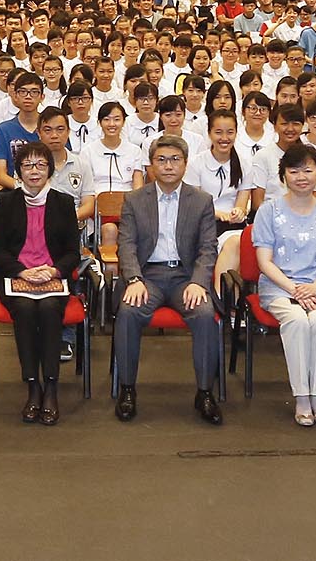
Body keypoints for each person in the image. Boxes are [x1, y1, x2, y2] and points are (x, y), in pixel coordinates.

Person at [112, 135, 225, 424]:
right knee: (128, 311)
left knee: (204, 314)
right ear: (151, 165)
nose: (168, 166)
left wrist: (199, 282)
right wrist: (133, 278)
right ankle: (127, 389)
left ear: (185, 164)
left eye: (175, 159)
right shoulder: (135, 200)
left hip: (185, 278)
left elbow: (208, 248)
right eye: (161, 160)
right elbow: (126, 245)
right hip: (147, 276)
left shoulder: (201, 201)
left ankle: (205, 392)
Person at [252, 144, 316, 426]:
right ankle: (302, 398)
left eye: (308, 170)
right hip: (279, 285)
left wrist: (314, 288)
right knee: (295, 320)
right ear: (283, 176)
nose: (301, 177)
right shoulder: (268, 211)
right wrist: (294, 289)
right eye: (294, 171)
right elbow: (265, 262)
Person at [0, 145, 80, 425]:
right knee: (25, 310)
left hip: (53, 278)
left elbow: (72, 252)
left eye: (41, 165)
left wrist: (54, 270)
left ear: (50, 170)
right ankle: (32, 386)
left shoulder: (64, 203)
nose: (34, 171)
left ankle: (51, 386)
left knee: (50, 309)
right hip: (16, 277)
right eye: (27, 165)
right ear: (18, 172)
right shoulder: (6, 203)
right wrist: (22, 271)